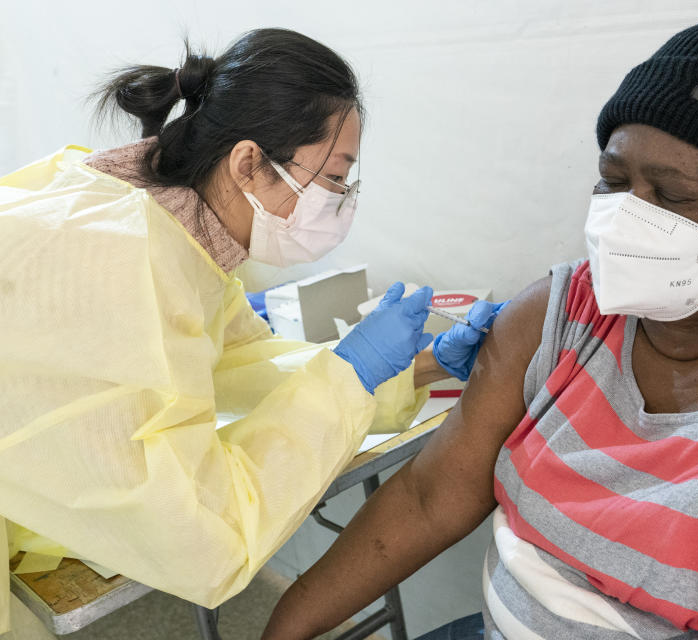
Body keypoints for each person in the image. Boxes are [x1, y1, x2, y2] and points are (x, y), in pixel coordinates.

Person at [261, 15, 698, 640]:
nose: (625, 219)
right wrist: (281, 630)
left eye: (671, 196)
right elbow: (430, 496)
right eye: (614, 180)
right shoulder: (566, 313)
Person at [0, 28, 502, 634]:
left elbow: (244, 364)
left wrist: (418, 366)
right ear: (247, 164)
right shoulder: (126, 261)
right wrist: (354, 373)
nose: (343, 200)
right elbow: (202, 540)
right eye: (336, 177)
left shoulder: (165, 229)